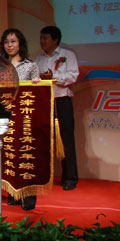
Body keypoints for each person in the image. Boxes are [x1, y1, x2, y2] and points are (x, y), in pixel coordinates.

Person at [0, 28, 40, 210]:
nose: (10, 45)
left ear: (20, 44)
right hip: (6, 116)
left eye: (13, 41)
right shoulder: (0, 66)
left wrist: (36, 83)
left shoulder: (31, 66)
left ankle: (28, 195)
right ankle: (13, 193)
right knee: (9, 155)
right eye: (6, 42)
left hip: (25, 119)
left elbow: (37, 91)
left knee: (26, 155)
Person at [35, 26, 79, 191]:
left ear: (55, 40)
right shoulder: (38, 59)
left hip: (62, 101)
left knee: (66, 140)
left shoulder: (67, 55)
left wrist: (53, 77)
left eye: (45, 38)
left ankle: (70, 178)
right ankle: (44, 177)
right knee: (43, 140)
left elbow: (73, 76)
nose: (42, 41)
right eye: (41, 38)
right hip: (44, 102)